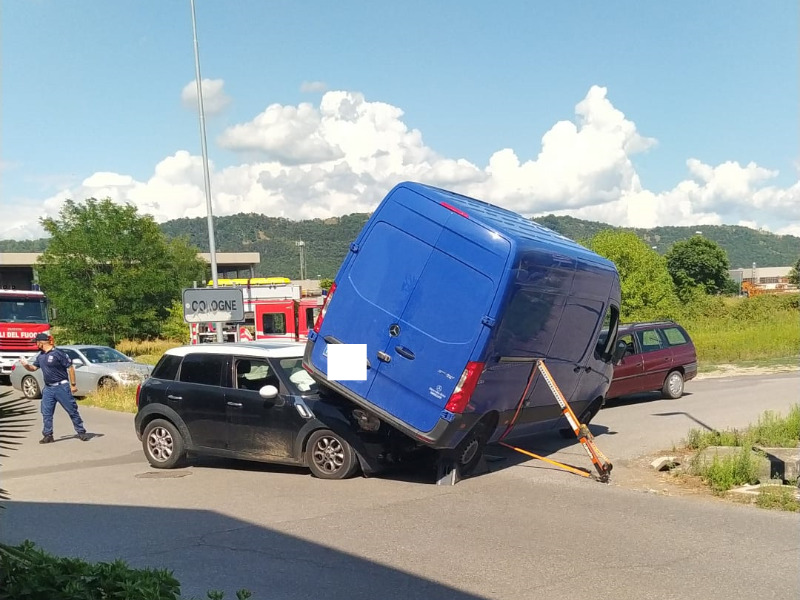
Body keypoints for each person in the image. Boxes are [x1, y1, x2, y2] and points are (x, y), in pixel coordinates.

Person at [20, 333, 89, 443]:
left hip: (61, 387)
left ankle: (81, 432)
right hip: (48, 388)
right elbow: (33, 368)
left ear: (41, 342)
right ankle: (48, 435)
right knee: (46, 412)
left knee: (72, 410)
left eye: (36, 342)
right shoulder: (41, 355)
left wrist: (73, 385)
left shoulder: (58, 353)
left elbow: (70, 368)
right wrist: (26, 365)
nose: (36, 344)